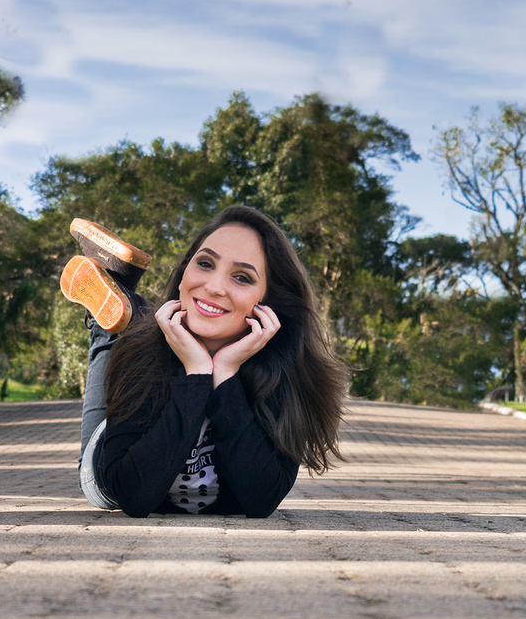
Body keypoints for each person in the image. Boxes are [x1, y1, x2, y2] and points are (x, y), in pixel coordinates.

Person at [59, 205, 348, 518]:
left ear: (267, 304)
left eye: (242, 277)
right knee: (118, 333)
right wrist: (197, 375)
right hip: (106, 469)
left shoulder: (285, 373)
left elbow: (261, 499)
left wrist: (224, 375)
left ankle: (122, 286)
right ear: (184, 276)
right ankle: (110, 309)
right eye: (205, 264)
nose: (213, 286)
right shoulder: (142, 354)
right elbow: (132, 494)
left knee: (133, 325)